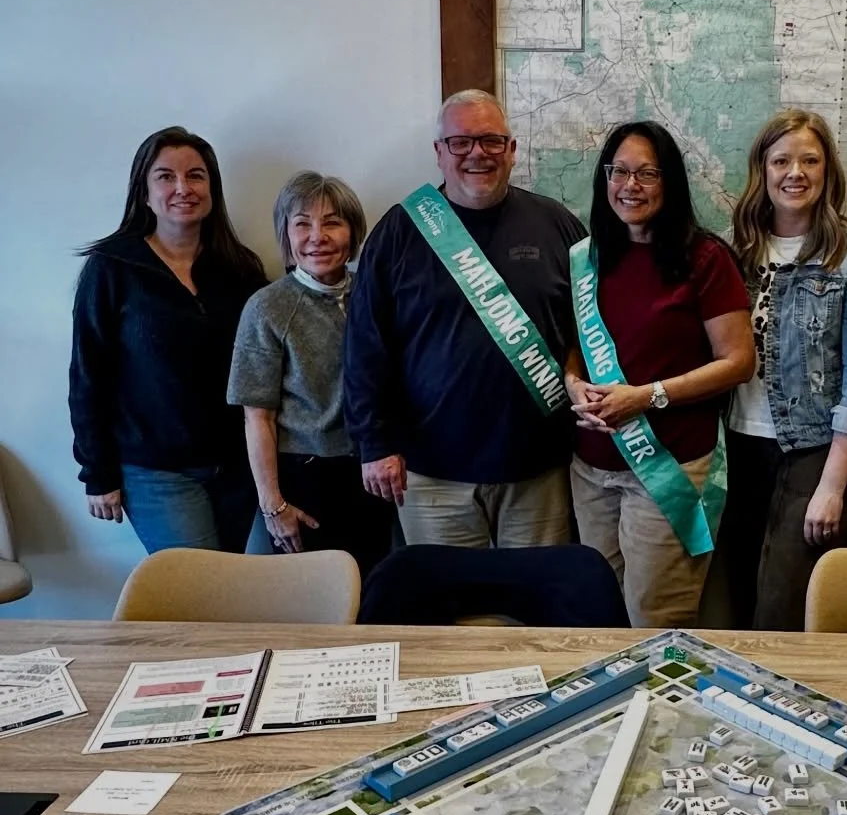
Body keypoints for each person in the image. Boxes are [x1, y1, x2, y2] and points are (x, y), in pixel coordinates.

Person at [344, 90, 585, 549]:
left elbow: (589, 331)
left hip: (539, 472)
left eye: (492, 141)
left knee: (535, 591)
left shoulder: (557, 225)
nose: (477, 153)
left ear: (512, 150)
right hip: (431, 474)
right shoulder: (399, 232)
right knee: (448, 594)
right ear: (439, 152)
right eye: (460, 142)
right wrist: (374, 444)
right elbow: (364, 346)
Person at [566, 121, 754, 626]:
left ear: (670, 181)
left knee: (654, 619)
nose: (630, 185)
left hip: (667, 468)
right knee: (598, 614)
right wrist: (572, 383)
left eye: (647, 173)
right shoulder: (588, 258)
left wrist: (645, 397)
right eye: (619, 171)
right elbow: (577, 345)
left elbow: (738, 362)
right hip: (591, 470)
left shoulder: (705, 258)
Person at [720, 110, 847, 630]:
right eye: (781, 161)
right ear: (762, 170)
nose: (795, 172)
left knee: (779, 610)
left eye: (809, 161)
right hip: (738, 448)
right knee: (735, 601)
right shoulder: (734, 252)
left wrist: (832, 485)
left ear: (827, 171)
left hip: (815, 451)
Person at [69, 126, 267, 552]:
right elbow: (87, 376)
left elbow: (266, 364)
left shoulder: (241, 269)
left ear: (212, 189)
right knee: (199, 585)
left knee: (233, 584)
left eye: (196, 175)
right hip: (155, 471)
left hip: (238, 467)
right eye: (165, 176)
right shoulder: (112, 268)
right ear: (144, 192)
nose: (183, 188)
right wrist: (97, 473)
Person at [227, 172, 393, 575]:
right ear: (287, 236)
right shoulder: (267, 307)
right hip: (304, 478)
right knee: (313, 600)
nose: (317, 237)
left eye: (332, 222)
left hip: (375, 471)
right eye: (302, 224)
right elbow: (257, 417)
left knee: (375, 593)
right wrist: (273, 506)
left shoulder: (376, 294)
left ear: (353, 233)